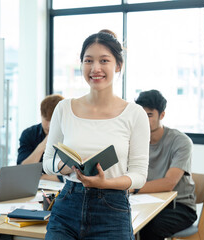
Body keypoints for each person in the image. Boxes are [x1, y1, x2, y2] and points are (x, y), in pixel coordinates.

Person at [42, 30, 150, 239]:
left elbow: (139, 176)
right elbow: (47, 161)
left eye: (104, 61)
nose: (95, 68)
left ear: (118, 65)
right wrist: (61, 166)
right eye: (88, 60)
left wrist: (105, 183)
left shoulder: (135, 114)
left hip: (112, 210)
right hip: (67, 205)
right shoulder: (64, 108)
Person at [134, 89, 197, 240]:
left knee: (150, 226)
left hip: (180, 206)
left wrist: (131, 188)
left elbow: (169, 183)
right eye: (141, 115)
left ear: (162, 115)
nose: (143, 120)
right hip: (145, 201)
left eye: (149, 115)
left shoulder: (180, 142)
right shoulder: (135, 141)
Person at [17, 94, 64, 182]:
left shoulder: (69, 135)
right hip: (33, 185)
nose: (50, 125)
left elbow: (72, 171)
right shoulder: (29, 134)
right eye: (46, 120)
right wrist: (43, 144)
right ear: (41, 115)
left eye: (53, 121)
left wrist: (41, 177)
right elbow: (22, 170)